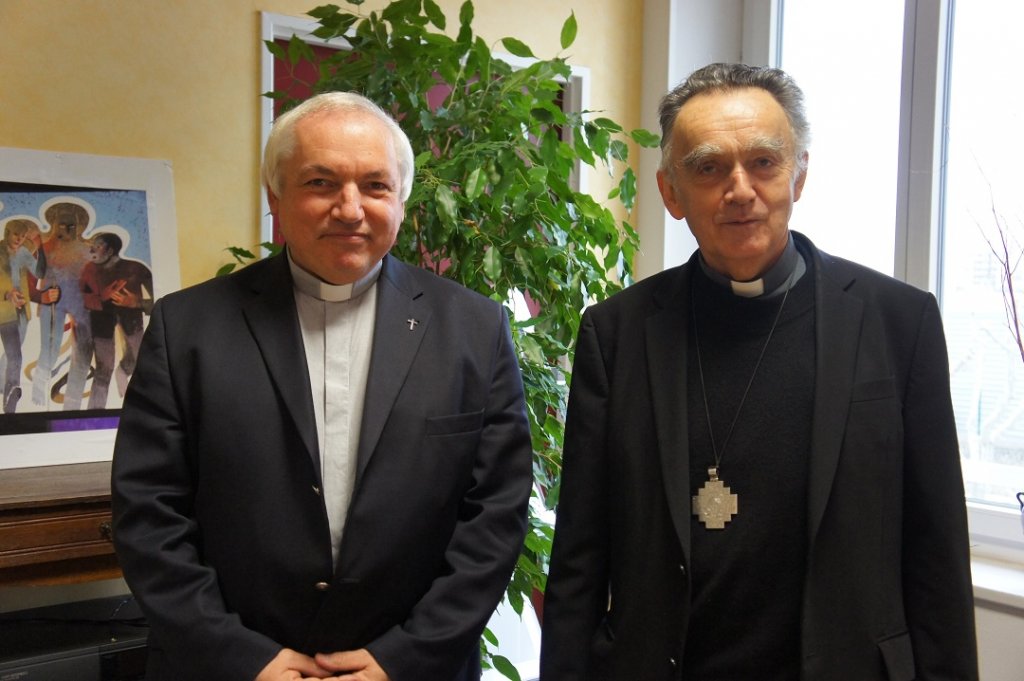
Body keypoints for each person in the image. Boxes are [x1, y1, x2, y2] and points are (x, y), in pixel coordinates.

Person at [539, 63, 978, 681]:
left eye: (765, 163)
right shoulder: (617, 333)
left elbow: (937, 554)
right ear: (670, 192)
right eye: (709, 167)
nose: (740, 189)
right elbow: (580, 557)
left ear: (800, 175)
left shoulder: (897, 322)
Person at [112, 92, 533, 681]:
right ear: (275, 198)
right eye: (321, 182)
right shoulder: (189, 329)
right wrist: (244, 659)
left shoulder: (475, 329)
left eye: (376, 186)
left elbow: (496, 517)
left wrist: (403, 657)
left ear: (402, 200)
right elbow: (148, 515)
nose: (350, 208)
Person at [79, 231, 153, 409]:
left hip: (133, 323)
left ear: (110, 250)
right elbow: (83, 298)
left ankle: (125, 373)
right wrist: (102, 297)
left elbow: (160, 299)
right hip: (101, 322)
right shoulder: (89, 269)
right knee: (103, 371)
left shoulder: (135, 268)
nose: (92, 249)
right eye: (92, 245)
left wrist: (137, 302)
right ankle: (94, 416)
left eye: (98, 246)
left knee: (142, 361)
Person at [0, 218, 45, 413]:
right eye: (16, 234)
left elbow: (40, 272)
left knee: (14, 357)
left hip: (20, 311)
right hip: (3, 309)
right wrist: (7, 294)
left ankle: (8, 404)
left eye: (23, 236)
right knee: (15, 357)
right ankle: (9, 406)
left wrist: (42, 248)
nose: (20, 239)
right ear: (7, 233)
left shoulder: (24, 252)